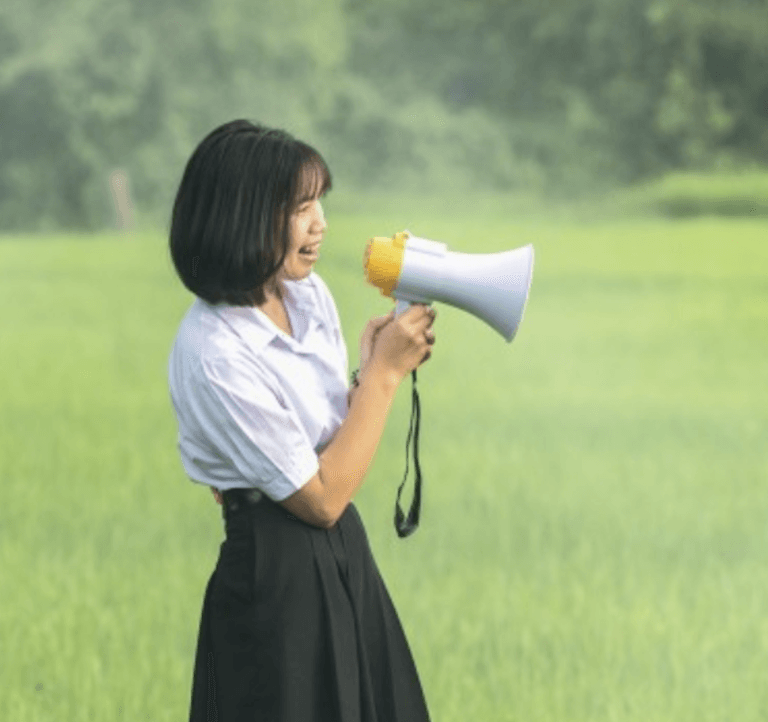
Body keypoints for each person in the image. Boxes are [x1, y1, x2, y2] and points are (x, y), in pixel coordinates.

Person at [167, 119, 436, 721]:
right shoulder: (215, 351)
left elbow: (330, 447)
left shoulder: (306, 296)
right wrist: (385, 376)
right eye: (300, 208)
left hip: (344, 556)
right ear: (244, 216)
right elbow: (321, 498)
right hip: (274, 573)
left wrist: (369, 372)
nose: (321, 224)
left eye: (320, 203)